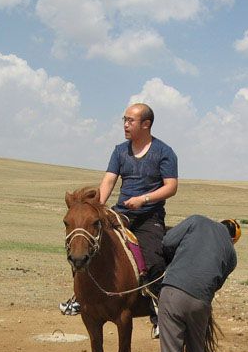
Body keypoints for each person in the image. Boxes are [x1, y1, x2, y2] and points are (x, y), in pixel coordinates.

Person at [60, 103, 178, 338]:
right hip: (121, 213)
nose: (125, 124)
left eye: (130, 121)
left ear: (146, 124)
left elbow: (171, 187)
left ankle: (158, 311)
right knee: (87, 244)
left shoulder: (164, 152)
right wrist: (96, 207)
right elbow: (108, 181)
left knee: (153, 258)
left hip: (149, 216)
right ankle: (80, 298)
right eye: (124, 119)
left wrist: (144, 199)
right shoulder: (120, 151)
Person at [158, 216, 240, 352]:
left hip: (173, 293)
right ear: (232, 239)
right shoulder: (231, 254)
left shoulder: (197, 221)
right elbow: (217, 282)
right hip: (202, 303)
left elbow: (167, 241)